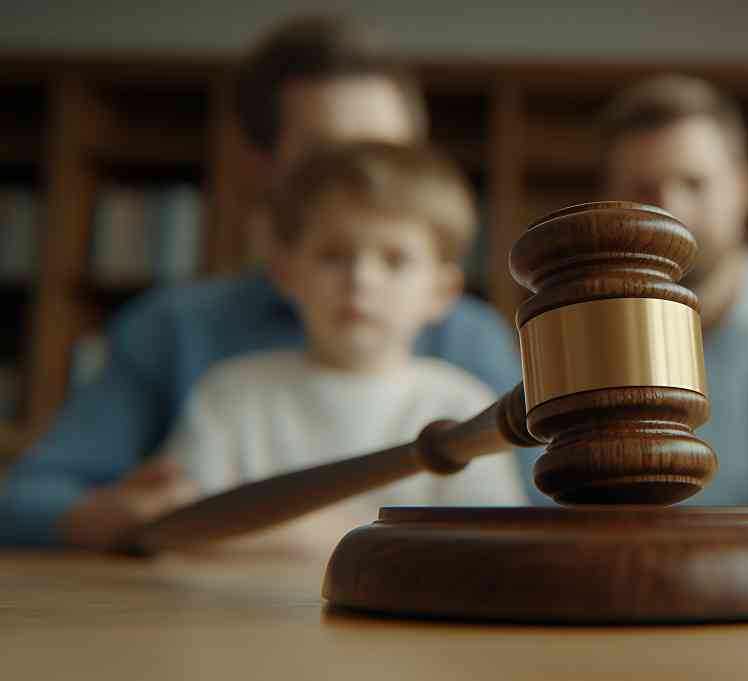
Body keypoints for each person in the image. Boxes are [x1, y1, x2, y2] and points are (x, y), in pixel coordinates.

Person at [0, 15, 524, 548]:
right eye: (330, 158)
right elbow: (28, 499)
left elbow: (532, 522)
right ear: (261, 166)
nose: (368, 183)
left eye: (391, 157)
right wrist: (120, 515)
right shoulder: (178, 333)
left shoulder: (471, 343)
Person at [164, 143, 527, 554]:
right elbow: (187, 529)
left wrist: (296, 533)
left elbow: (494, 546)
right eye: (333, 256)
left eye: (394, 260)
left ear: (441, 292)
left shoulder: (464, 405)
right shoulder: (228, 393)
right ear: (285, 273)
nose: (360, 280)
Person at [599, 75, 748, 505]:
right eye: (643, 189)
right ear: (611, 202)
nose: (670, 210)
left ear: (745, 188)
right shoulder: (581, 351)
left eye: (694, 183)